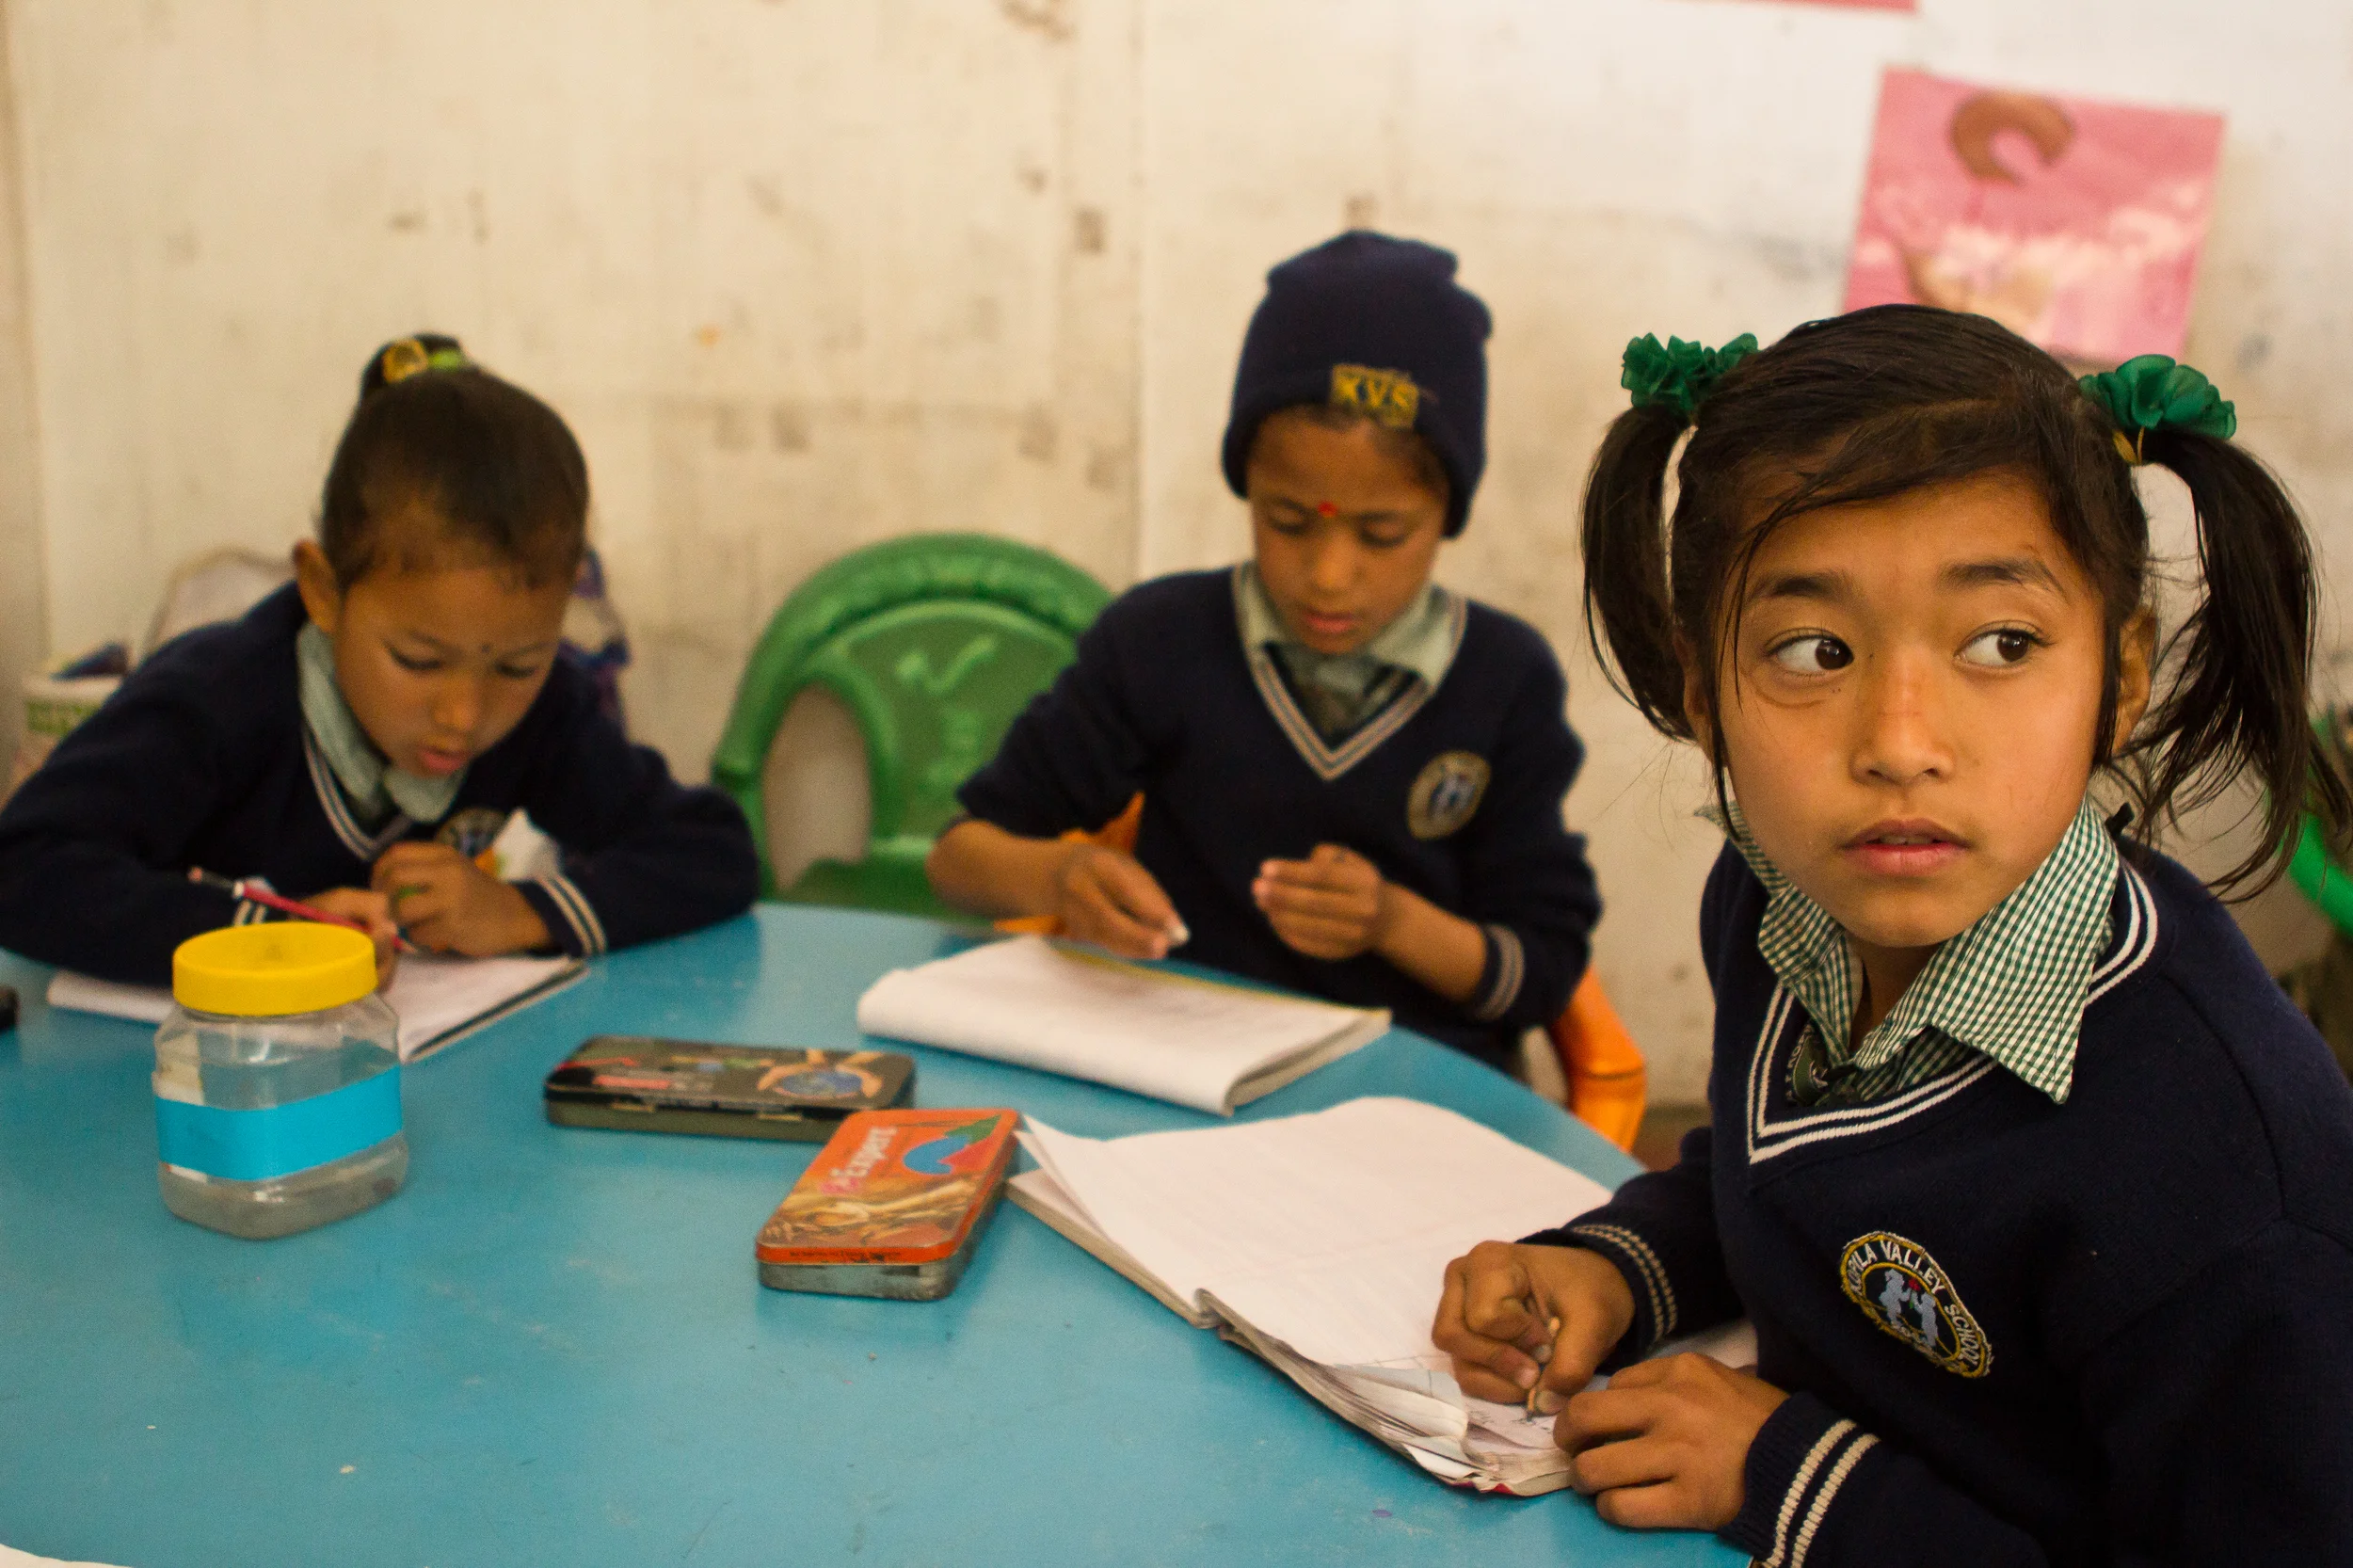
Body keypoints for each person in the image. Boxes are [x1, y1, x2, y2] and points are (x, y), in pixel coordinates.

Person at [1433, 306, 2353, 1564]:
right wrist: (1623, 1265)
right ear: (1705, 691)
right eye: (1815, 650)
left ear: (2121, 675)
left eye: (2002, 644)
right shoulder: (1779, 904)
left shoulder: (2228, 1181)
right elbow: (1784, 1179)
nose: (1900, 742)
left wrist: (1799, 1481)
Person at [926, 232, 1599, 1069]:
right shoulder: (1159, 642)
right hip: (1186, 1074)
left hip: (1416, 1096)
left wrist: (1392, 922)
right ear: (1246, 488)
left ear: (1446, 516)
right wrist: (1061, 878)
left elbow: (1540, 974)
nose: (1328, 575)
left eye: (1382, 534)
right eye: (1287, 521)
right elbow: (958, 857)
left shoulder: (1504, 681)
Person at [0, 333, 758, 985]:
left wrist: (521, 911)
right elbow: (24, 868)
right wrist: (264, 940)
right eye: (419, 661)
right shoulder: (218, 701)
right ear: (325, 593)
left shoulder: (543, 712)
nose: (464, 715)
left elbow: (711, 850)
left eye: (516, 666)